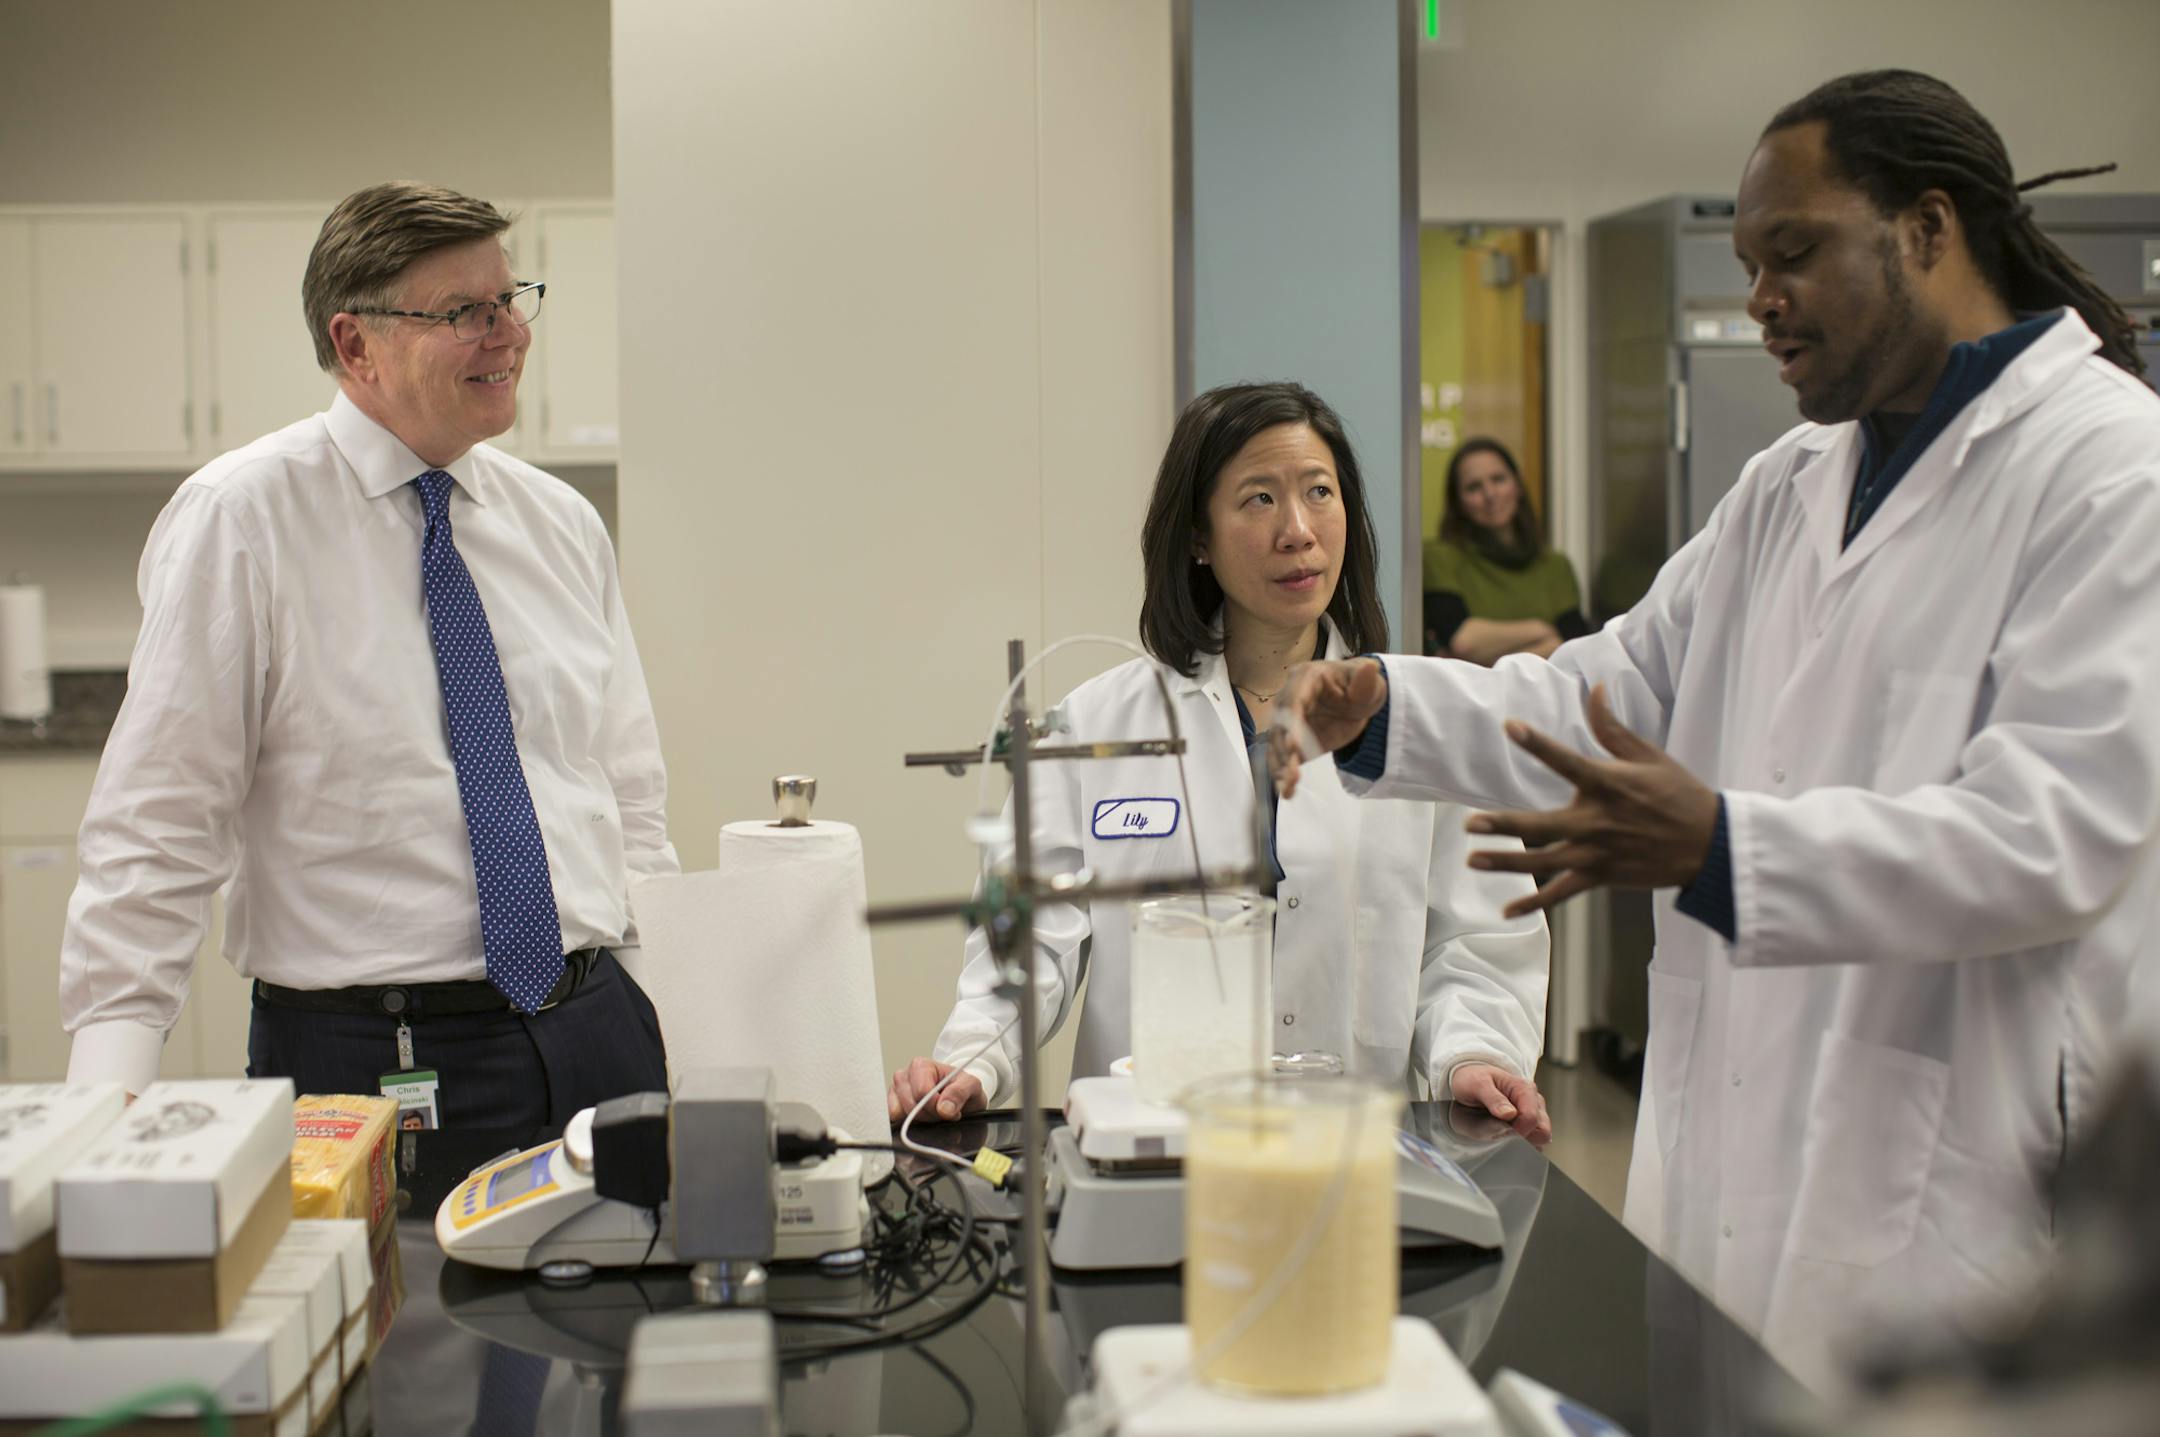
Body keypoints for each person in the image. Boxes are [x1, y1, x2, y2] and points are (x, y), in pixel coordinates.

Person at [1269, 71, 2160, 1389]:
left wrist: (1727, 850)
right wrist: (1391, 704)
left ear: (1928, 230)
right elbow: (1614, 687)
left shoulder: (2111, 471)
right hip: (1741, 1155)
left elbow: (2058, 834)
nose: (1759, 300)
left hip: (1957, 1165)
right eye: (1746, 264)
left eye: (1792, 253)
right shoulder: (1790, 483)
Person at [59, 183, 678, 1128]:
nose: (507, 332)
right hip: (374, 1057)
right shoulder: (242, 520)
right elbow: (160, 823)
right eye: (465, 312)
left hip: (597, 1034)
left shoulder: (562, 526)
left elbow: (627, 794)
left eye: (511, 299)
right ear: (356, 346)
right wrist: (106, 1094)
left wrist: (664, 1004)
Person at [888, 382, 1552, 1141]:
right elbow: (1032, 941)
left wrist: (1472, 1051)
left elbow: (1473, 940)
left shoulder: (1417, 720)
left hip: (1353, 1150)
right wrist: (973, 1059)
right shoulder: (1093, 725)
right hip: (1152, 1147)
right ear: (1198, 537)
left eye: (1319, 492)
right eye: (1260, 499)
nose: (1298, 530)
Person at [1423, 438, 1589, 663]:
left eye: (1498, 479)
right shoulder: (1440, 556)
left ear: (1518, 485)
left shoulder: (1555, 566)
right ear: (1458, 503)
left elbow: (1573, 649)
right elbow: (1463, 641)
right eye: (1474, 487)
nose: (1490, 494)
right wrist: (1540, 630)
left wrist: (1488, 663)